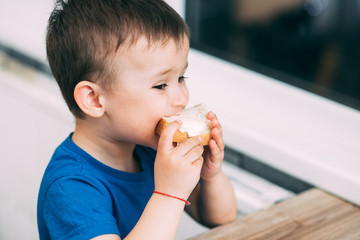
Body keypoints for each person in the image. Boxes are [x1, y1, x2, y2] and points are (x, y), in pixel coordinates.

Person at [37, 0, 237, 239]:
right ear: (94, 99)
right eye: (160, 85)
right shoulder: (71, 187)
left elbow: (219, 217)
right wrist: (169, 193)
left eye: (182, 78)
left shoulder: (150, 153)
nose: (181, 98)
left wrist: (210, 175)